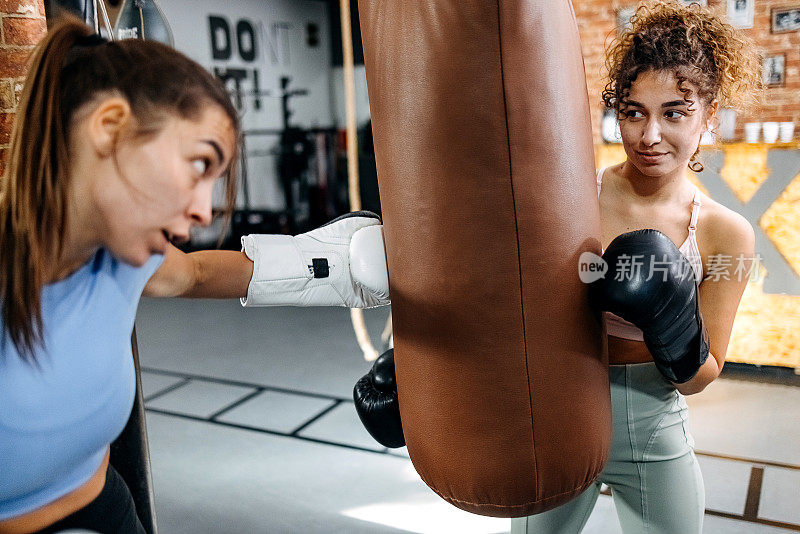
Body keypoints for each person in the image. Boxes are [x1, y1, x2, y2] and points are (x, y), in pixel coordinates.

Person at [0, 16, 388, 534]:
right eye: (199, 165)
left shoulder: (121, 258)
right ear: (110, 127)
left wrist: (331, 265)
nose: (205, 211)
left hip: (109, 511)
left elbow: (196, 273)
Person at [511, 1, 760, 532]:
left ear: (708, 116)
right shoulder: (572, 196)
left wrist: (669, 323)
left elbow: (704, 374)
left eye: (674, 112)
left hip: (653, 427)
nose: (650, 135)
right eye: (633, 111)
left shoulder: (725, 232)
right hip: (562, 415)